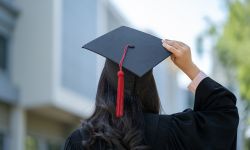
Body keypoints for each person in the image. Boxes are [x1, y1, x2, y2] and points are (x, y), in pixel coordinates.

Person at [64, 27, 239, 150]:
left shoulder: (81, 141)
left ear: (106, 83)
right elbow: (224, 112)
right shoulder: (172, 132)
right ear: (149, 85)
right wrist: (190, 67)